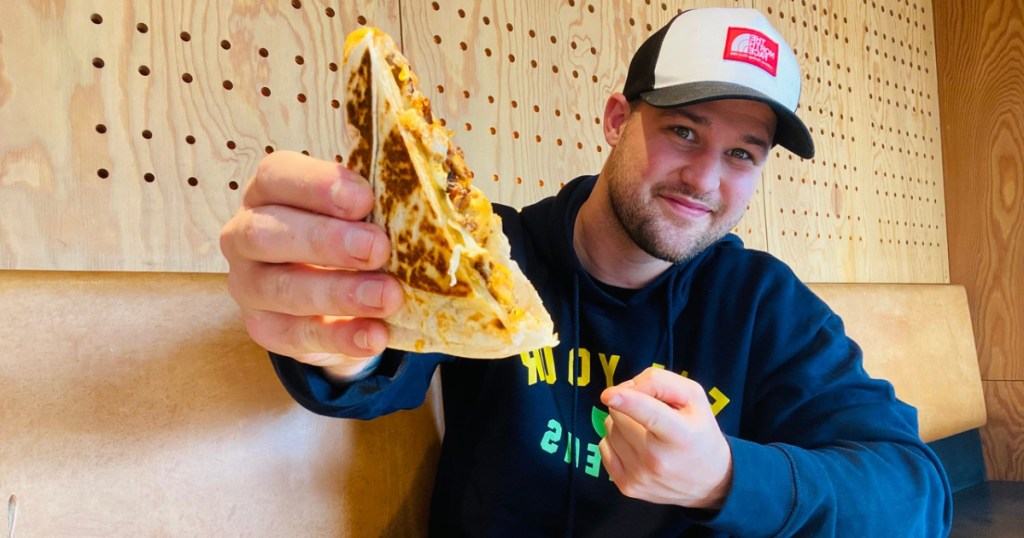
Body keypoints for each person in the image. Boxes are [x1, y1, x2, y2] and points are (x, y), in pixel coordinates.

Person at [220, 7, 951, 537]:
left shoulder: (762, 304)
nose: (703, 177)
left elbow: (915, 495)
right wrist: (332, 340)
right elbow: (375, 360)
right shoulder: (487, 253)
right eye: (683, 130)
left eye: (742, 154)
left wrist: (725, 478)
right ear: (615, 120)